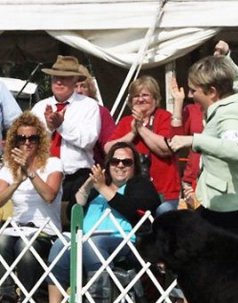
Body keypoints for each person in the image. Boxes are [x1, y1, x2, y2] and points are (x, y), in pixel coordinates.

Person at [165, 41, 238, 303]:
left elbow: (234, 150)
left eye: (195, 90)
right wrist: (225, 58)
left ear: (212, 92)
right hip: (222, 207)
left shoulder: (231, 113)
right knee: (191, 255)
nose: (191, 95)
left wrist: (192, 140)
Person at [45, 142, 160, 303]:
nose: (120, 165)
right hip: (85, 238)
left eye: (126, 162)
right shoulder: (96, 188)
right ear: (108, 165)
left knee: (94, 243)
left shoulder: (140, 185)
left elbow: (136, 208)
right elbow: (73, 212)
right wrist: (88, 186)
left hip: (124, 241)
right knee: (61, 243)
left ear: (134, 166)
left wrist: (103, 188)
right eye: (115, 161)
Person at [0, 112, 63, 303]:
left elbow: (49, 196)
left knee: (26, 246)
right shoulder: (8, 168)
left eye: (32, 138)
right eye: (22, 138)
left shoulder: (53, 164)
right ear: (15, 141)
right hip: (17, 227)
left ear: (40, 141)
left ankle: (28, 300)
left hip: (46, 230)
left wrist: (30, 172)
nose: (27, 143)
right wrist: (17, 181)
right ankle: (7, 297)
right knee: (1, 242)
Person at [105, 76, 181, 215]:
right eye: (136, 96)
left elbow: (166, 149)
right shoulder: (126, 121)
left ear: (155, 98)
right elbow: (109, 149)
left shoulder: (164, 117)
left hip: (164, 192)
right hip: (134, 192)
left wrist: (141, 128)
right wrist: (132, 133)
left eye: (145, 95)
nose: (140, 99)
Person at [31, 55, 100, 202]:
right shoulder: (39, 107)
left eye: (65, 77)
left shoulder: (88, 106)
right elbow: (29, 142)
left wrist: (61, 126)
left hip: (76, 177)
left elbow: (88, 141)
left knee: (73, 220)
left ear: (75, 80)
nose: (59, 81)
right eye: (55, 77)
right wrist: (49, 129)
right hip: (44, 176)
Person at [75, 65, 116, 167]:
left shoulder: (101, 112)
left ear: (90, 89)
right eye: (75, 86)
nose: (79, 91)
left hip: (94, 171)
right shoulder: (59, 112)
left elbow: (111, 146)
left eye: (83, 86)